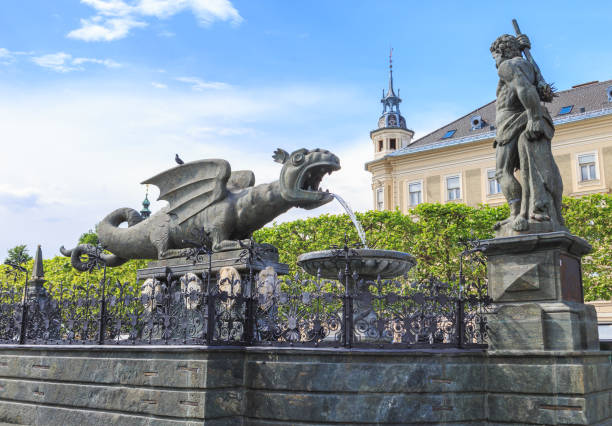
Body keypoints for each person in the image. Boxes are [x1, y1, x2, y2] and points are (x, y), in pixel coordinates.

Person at [490, 33, 564, 232]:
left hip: (511, 123)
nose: (495, 62)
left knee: (501, 171)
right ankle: (529, 207)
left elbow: (525, 90)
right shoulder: (528, 66)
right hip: (524, 118)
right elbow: (543, 88)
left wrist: (534, 117)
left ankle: (516, 212)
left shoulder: (508, 66)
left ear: (502, 51)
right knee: (527, 168)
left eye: (494, 57)